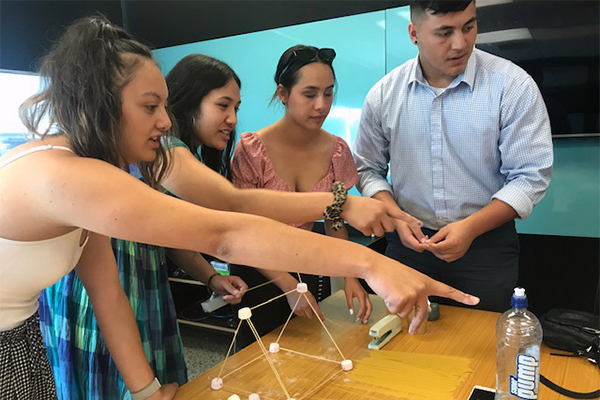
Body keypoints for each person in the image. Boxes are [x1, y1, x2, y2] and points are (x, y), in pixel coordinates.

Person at [0, 14, 479, 400]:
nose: (165, 122)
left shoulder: (84, 171)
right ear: (100, 102)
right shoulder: (64, 174)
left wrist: (146, 391)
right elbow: (225, 229)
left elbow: (107, 292)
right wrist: (369, 259)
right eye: (149, 107)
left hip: (20, 344)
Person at [39, 55, 250, 398]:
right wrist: (336, 206)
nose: (232, 119)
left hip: (139, 288)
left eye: (236, 107)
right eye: (222, 105)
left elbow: (168, 234)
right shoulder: (167, 150)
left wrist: (210, 277)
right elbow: (234, 213)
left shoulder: (169, 152)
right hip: (112, 291)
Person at [353, 0, 553, 312]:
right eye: (444, 32)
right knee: (402, 344)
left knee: (481, 346)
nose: (460, 43)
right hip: (408, 246)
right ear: (414, 33)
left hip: (485, 248)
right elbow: (367, 170)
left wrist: (470, 228)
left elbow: (530, 177)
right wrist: (395, 215)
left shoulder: (512, 86)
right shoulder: (384, 95)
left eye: (469, 27)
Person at [230, 45, 373, 349]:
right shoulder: (253, 150)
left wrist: (350, 275)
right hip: (257, 270)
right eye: (309, 94)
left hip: (305, 264)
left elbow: (334, 220)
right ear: (283, 93)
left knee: (309, 352)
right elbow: (244, 230)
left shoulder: (337, 151)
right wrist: (288, 285)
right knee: (259, 360)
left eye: (328, 93)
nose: (321, 105)